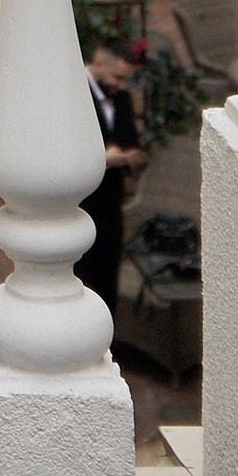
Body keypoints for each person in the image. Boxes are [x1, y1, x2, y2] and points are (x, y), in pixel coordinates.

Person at [82, 41, 147, 330]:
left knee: (108, 277)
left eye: (125, 79)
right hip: (80, 204)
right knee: (80, 279)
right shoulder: (73, 96)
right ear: (97, 65)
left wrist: (133, 157)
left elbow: (130, 138)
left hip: (110, 205)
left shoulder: (120, 99)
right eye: (116, 77)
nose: (121, 85)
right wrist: (100, 158)